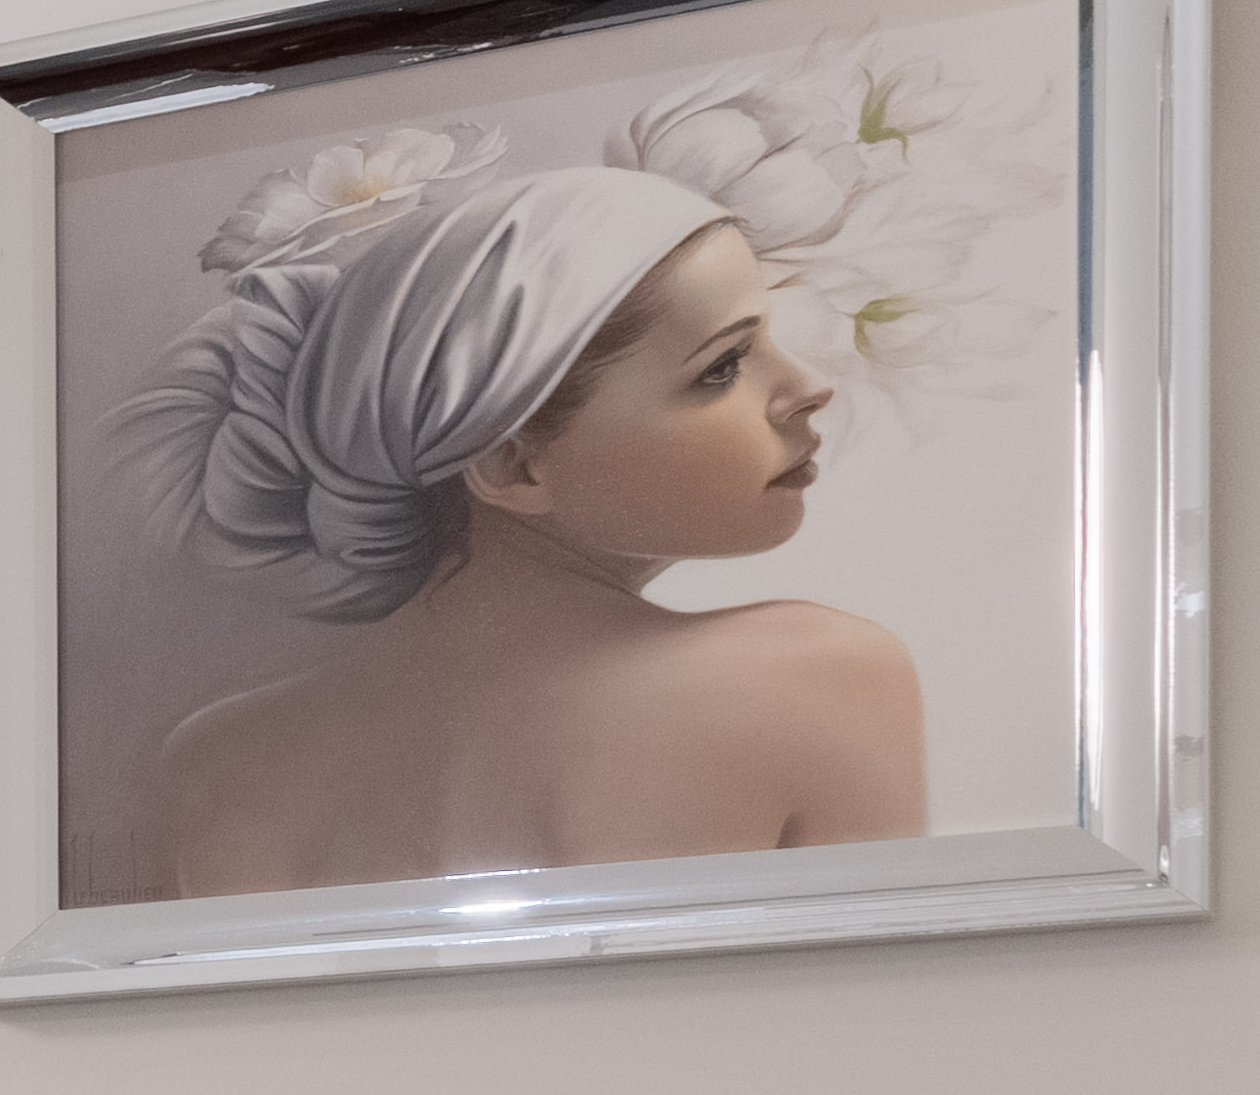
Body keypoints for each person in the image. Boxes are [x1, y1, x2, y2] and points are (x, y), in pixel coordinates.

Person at [126, 162, 916, 901]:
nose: (809, 387)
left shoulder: (214, 759)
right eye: (722, 366)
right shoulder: (819, 674)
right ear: (512, 467)